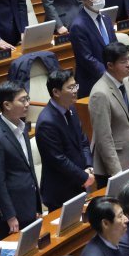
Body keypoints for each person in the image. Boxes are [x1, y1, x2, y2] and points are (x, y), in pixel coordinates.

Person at [0, 81, 41, 232]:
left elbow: (28, 168)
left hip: (29, 203)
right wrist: (10, 215)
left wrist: (36, 203)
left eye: (27, 98)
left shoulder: (22, 127)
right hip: (15, 212)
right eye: (22, 100)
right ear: (7, 105)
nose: (27, 104)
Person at [37, 70, 94, 211]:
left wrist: (88, 165)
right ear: (56, 92)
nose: (75, 91)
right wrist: (83, 176)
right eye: (70, 88)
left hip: (79, 182)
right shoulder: (46, 122)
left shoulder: (71, 109)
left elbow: (83, 140)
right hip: (61, 190)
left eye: (75, 86)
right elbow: (58, 159)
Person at [88, 42, 129, 185]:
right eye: (123, 61)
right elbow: (103, 138)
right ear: (110, 65)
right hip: (110, 169)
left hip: (128, 160)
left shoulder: (125, 83)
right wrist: (117, 173)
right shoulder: (100, 93)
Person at [70, 0, 118, 98]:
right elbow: (87, 58)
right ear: (85, 0)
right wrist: (109, 75)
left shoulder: (106, 18)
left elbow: (114, 45)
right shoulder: (78, 26)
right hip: (92, 84)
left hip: (112, 78)